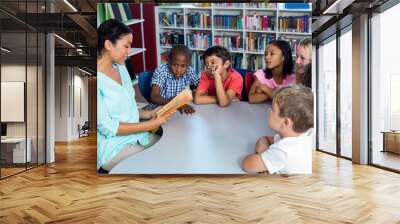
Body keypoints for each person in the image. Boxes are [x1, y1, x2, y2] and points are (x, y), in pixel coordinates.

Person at [97, 19, 171, 173]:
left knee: (171, 149)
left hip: (137, 136)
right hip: (113, 147)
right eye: (126, 46)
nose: (129, 51)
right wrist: (151, 124)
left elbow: (128, 109)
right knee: (159, 164)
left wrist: (151, 113)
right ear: (108, 45)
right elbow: (108, 128)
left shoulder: (121, 67)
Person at [242, 85, 314, 174]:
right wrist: (264, 152)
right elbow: (266, 139)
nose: (269, 111)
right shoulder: (304, 134)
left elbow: (247, 164)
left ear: (285, 122)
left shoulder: (282, 152)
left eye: (273, 109)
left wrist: (262, 156)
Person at [150, 44, 199, 114]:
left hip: (179, 110)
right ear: (168, 61)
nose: (178, 70)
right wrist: (176, 104)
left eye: (183, 66)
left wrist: (196, 91)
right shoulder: (161, 71)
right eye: (175, 65)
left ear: (189, 64)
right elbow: (154, 97)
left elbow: (200, 86)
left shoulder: (189, 70)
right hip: (161, 110)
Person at [248, 39, 296, 104]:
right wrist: (277, 95)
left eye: (272, 54)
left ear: (283, 57)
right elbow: (251, 99)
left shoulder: (293, 78)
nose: (267, 57)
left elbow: (288, 102)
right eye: (265, 54)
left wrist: (264, 88)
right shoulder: (261, 74)